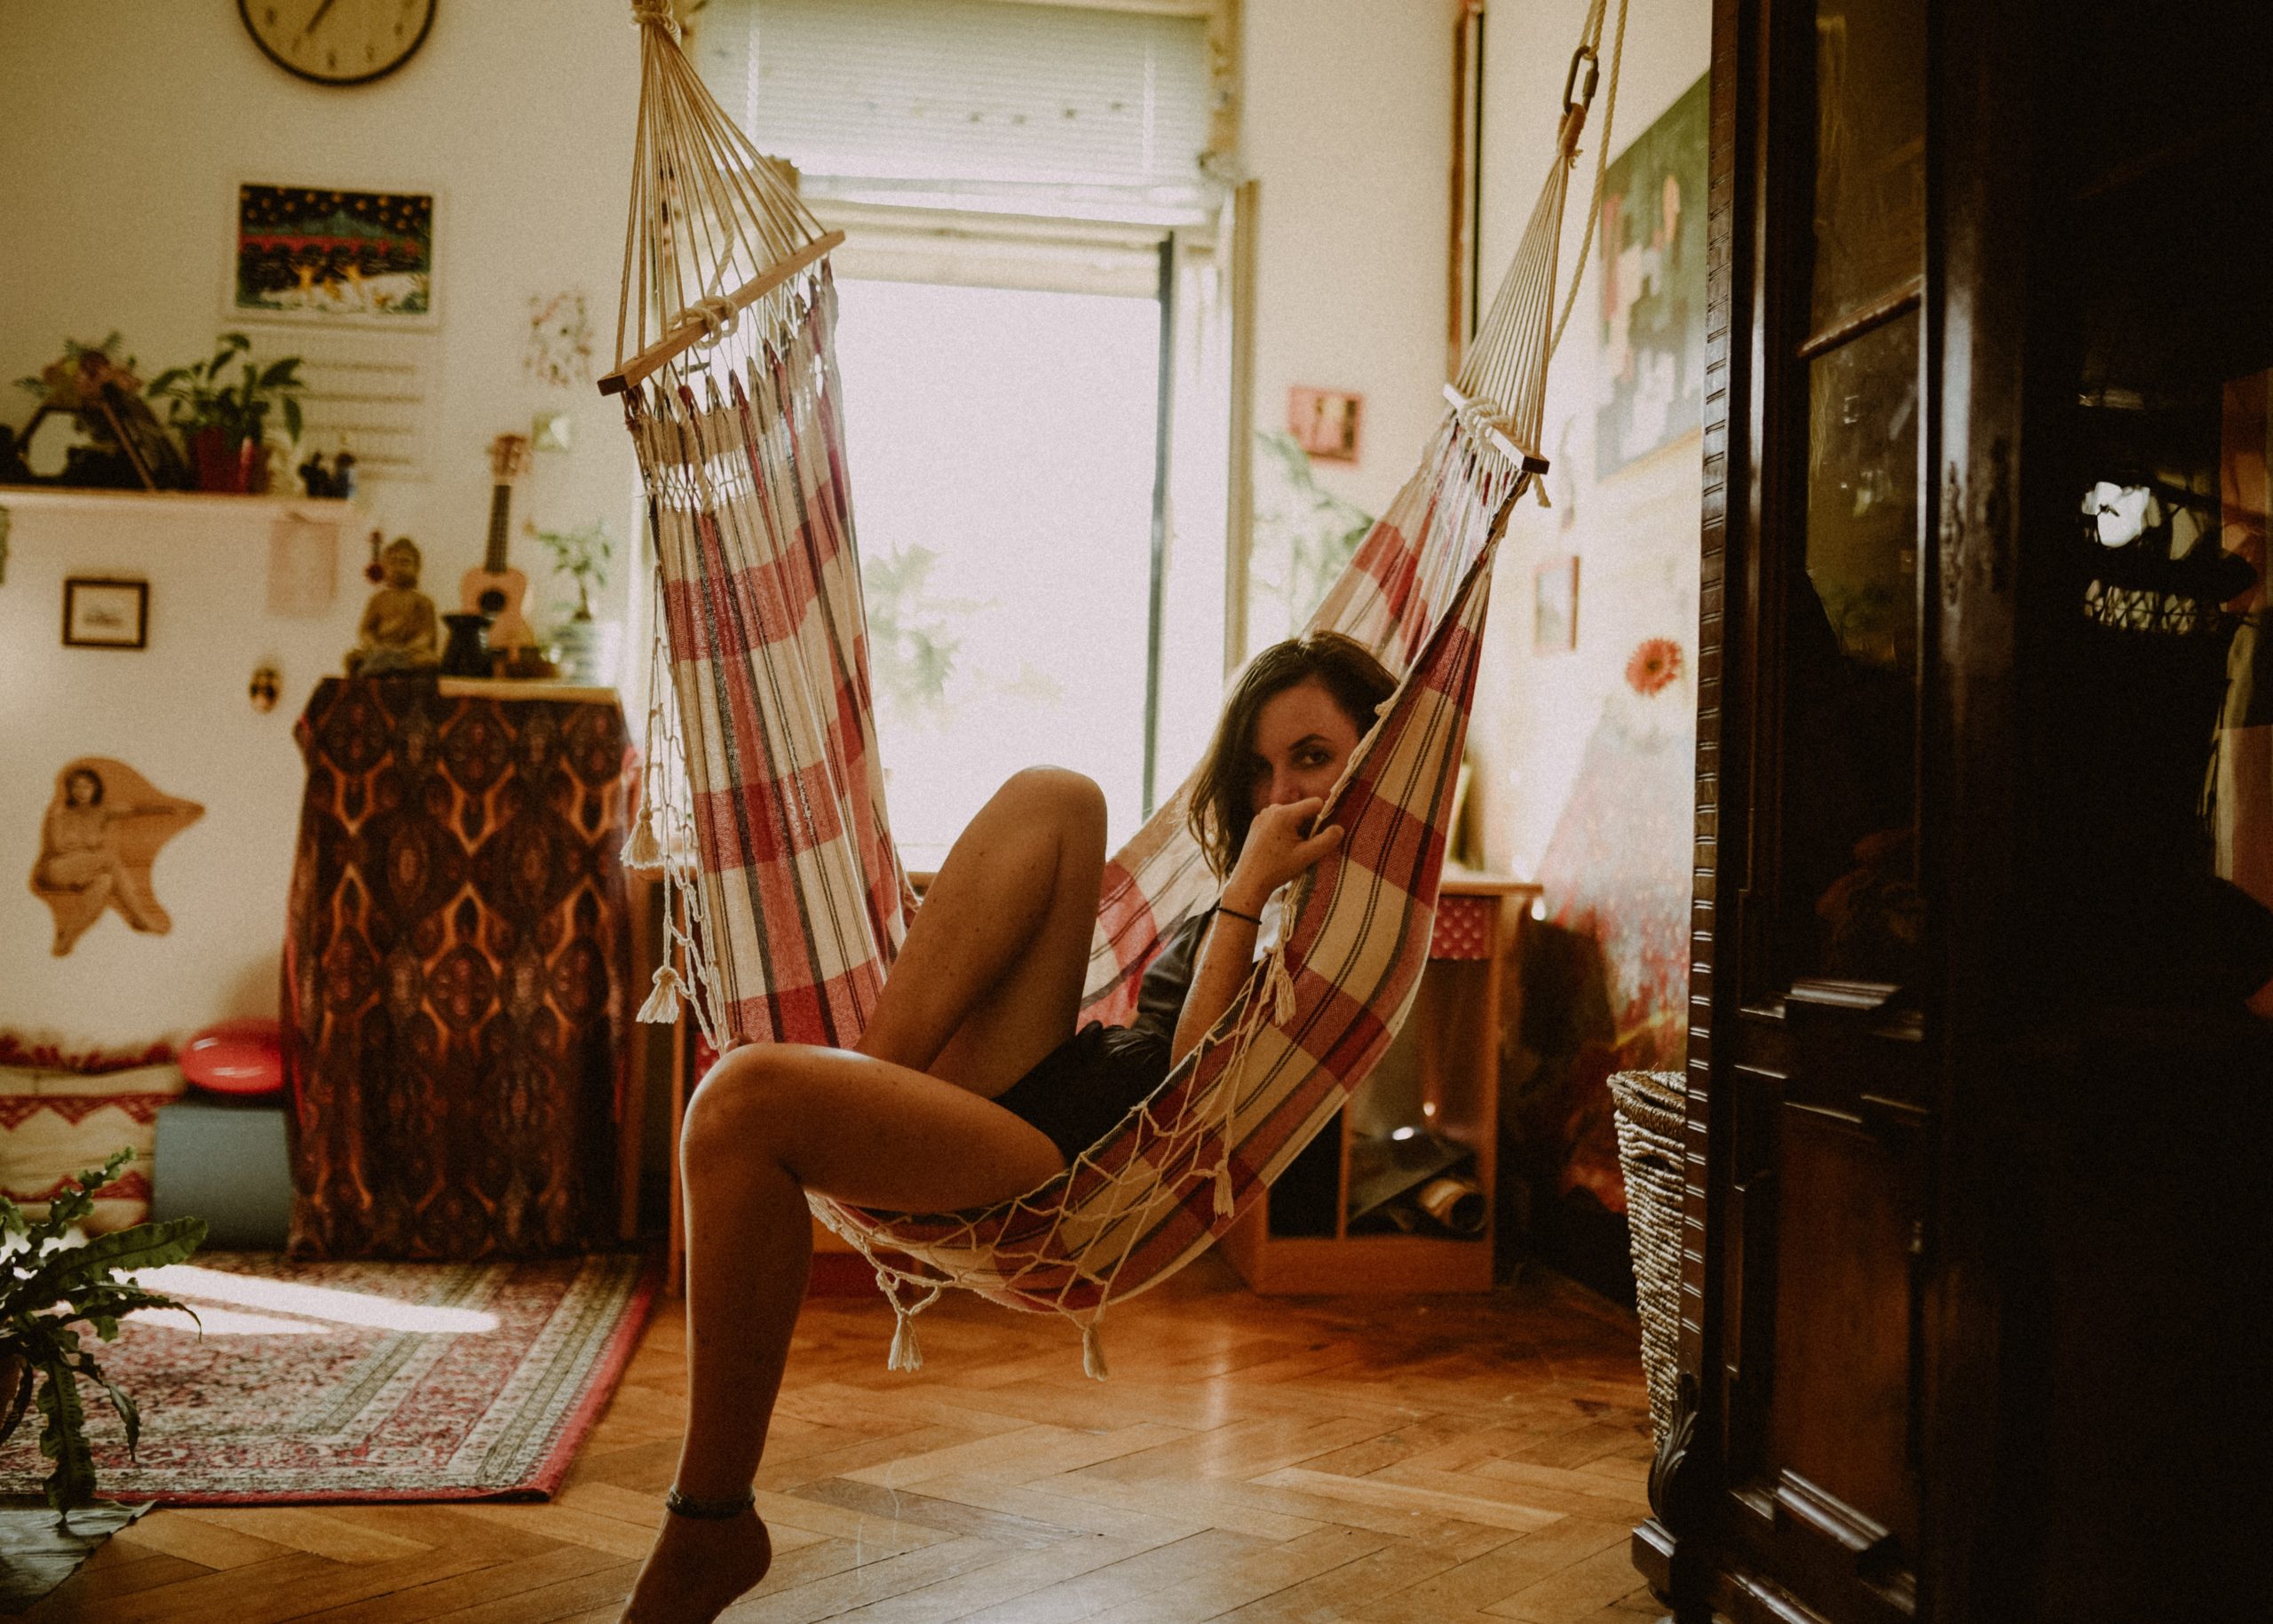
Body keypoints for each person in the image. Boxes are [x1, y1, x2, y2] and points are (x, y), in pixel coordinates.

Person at [620, 631, 1398, 1623]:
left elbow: (1190, 1109)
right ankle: (865, 1088)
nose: (1277, 791)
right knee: (1058, 793)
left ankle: (710, 1520)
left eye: (1313, 757)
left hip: (1083, 1162)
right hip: (1058, 1081)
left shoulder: (1327, 909)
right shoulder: (1275, 879)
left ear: (1374, 760)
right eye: (1257, 768)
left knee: (739, 1101)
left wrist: (1243, 892)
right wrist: (1243, 889)